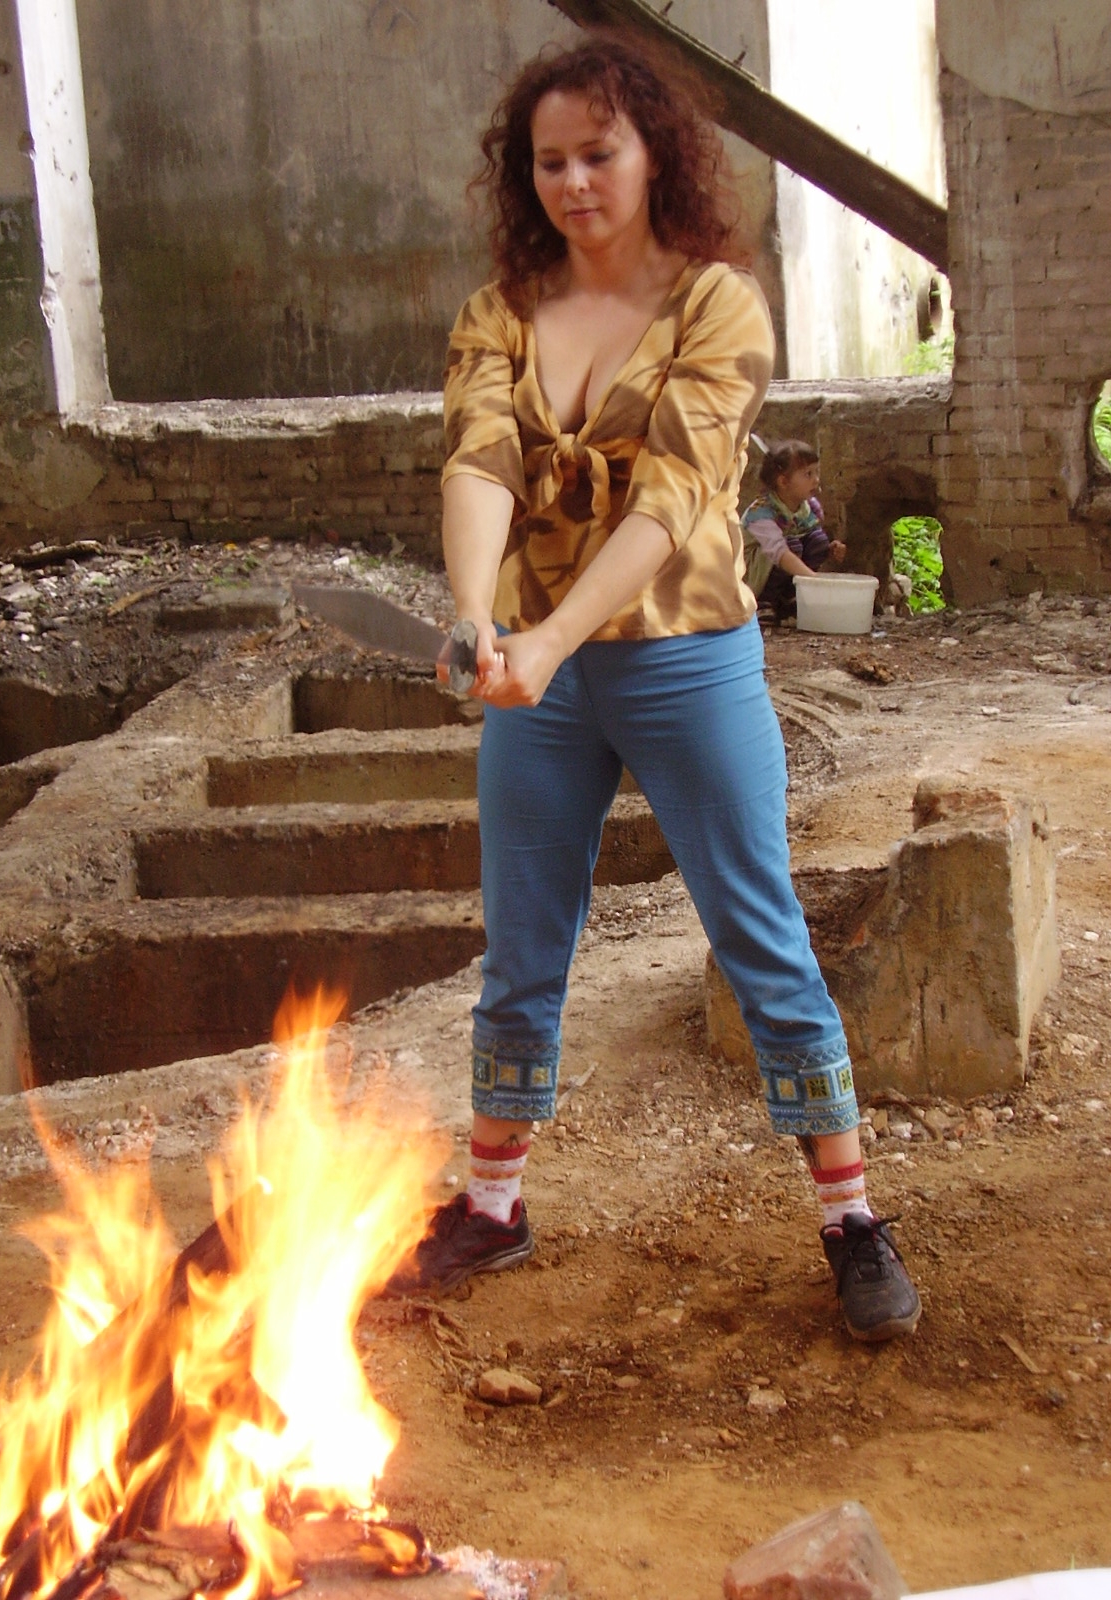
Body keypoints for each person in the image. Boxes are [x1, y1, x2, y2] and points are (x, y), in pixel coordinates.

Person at [388, 34, 920, 1342]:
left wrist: (555, 636)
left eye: (599, 154)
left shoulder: (717, 306)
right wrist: (478, 616)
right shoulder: (499, 313)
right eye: (549, 161)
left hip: (684, 659)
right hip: (539, 677)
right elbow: (479, 461)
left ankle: (852, 1218)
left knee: (758, 932)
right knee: (522, 946)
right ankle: (494, 1208)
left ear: (654, 154)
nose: (573, 182)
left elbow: (677, 500)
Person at [741, 441, 847, 622]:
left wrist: (829, 549)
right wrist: (813, 579)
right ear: (783, 481)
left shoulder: (807, 506)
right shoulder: (761, 513)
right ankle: (764, 600)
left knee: (818, 541)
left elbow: (811, 534)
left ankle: (789, 597)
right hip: (754, 571)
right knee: (792, 546)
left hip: (785, 557)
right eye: (808, 474)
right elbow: (779, 552)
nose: (816, 480)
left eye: (816, 472)